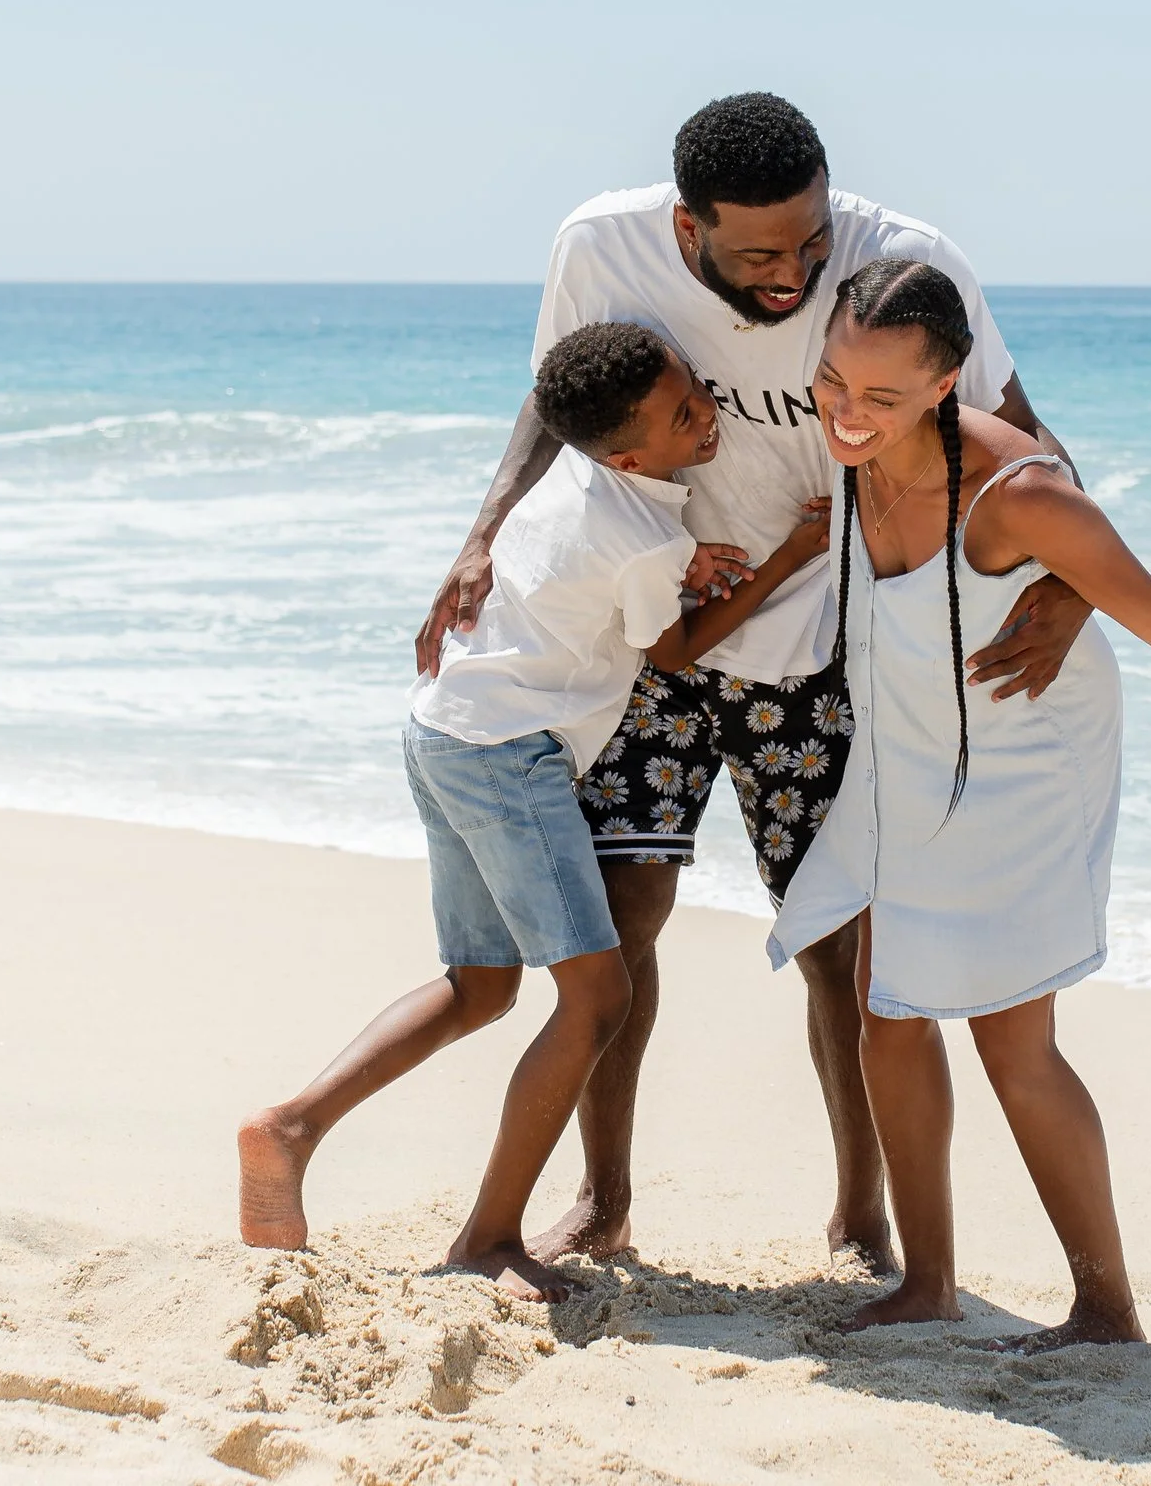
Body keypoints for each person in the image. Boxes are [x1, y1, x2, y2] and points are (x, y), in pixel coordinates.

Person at [416, 94, 1087, 1272]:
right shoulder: (601, 245)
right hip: (650, 646)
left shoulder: (901, 265)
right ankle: (605, 1200)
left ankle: (859, 1215)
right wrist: (483, 534)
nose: (795, 275)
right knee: (621, 933)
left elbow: (1024, 438)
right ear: (686, 231)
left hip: (821, 654)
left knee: (840, 944)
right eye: (760, 254)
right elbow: (557, 394)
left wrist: (1073, 587)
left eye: (810, 240)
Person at [767, 259, 1151, 1351]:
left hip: (1025, 760)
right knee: (886, 1006)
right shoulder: (854, 442)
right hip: (909, 745)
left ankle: (1105, 1305)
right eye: (831, 384)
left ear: (951, 382)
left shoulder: (1020, 493)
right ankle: (929, 1282)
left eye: (882, 398)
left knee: (1013, 1037)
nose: (847, 416)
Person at [237, 322, 829, 1300]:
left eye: (699, 391)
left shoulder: (574, 482)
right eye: (686, 412)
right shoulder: (650, 535)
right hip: (510, 759)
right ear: (631, 452)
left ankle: (291, 1125)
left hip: (442, 733)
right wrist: (791, 556)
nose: (709, 413)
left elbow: (601, 578)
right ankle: (489, 1235)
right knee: (596, 997)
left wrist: (686, 564)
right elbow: (672, 652)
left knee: (479, 985)